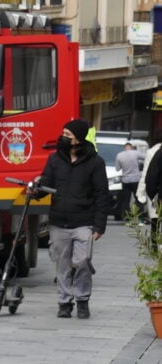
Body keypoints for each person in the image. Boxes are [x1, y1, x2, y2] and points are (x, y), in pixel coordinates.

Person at [31, 119, 112, 319]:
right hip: (58, 221)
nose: (64, 138)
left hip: (84, 221)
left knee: (83, 261)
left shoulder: (95, 162)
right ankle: (64, 302)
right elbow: (45, 184)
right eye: (63, 134)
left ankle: (82, 299)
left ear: (79, 139)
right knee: (62, 264)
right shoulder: (54, 159)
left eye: (68, 135)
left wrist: (99, 226)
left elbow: (102, 194)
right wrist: (35, 192)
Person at [138, 131, 162, 244]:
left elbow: (148, 174)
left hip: (157, 193)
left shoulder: (153, 152)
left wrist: (147, 192)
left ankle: (154, 245)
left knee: (155, 220)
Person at [115, 142, 145, 220]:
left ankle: (127, 217)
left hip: (125, 180)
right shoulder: (136, 153)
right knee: (138, 198)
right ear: (131, 147)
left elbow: (117, 169)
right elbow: (145, 157)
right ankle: (141, 216)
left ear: (124, 148)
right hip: (136, 179)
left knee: (126, 200)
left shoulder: (119, 155)